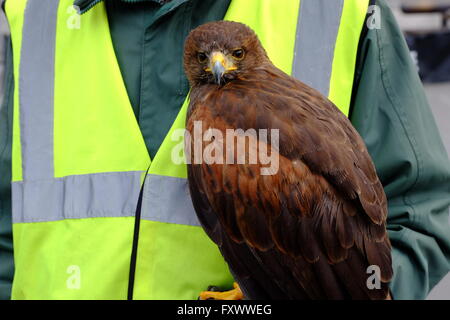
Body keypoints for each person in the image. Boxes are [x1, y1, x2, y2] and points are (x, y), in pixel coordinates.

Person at [0, 0, 449, 300]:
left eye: (234, 55)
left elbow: (421, 211)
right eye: (206, 60)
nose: (219, 68)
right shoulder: (35, 12)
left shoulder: (341, 11)